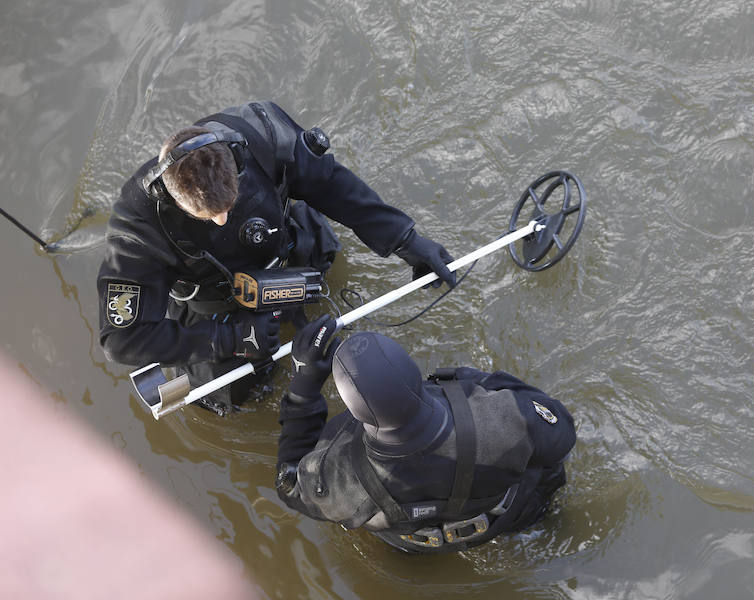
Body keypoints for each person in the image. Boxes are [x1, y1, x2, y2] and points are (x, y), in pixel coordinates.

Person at [96, 101, 455, 414]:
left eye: (229, 206)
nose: (222, 220)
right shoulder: (137, 229)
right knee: (229, 400)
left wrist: (405, 239)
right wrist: (232, 338)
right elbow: (122, 341)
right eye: (208, 216)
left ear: (235, 159)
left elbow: (330, 184)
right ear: (170, 195)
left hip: (283, 245)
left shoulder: (263, 132)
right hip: (215, 301)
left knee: (324, 252)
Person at [275, 315, 576, 553]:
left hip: (414, 545)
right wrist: (469, 380)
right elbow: (562, 433)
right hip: (508, 518)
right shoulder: (504, 418)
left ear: (355, 410)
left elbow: (288, 485)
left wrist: (303, 386)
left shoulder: (336, 474)